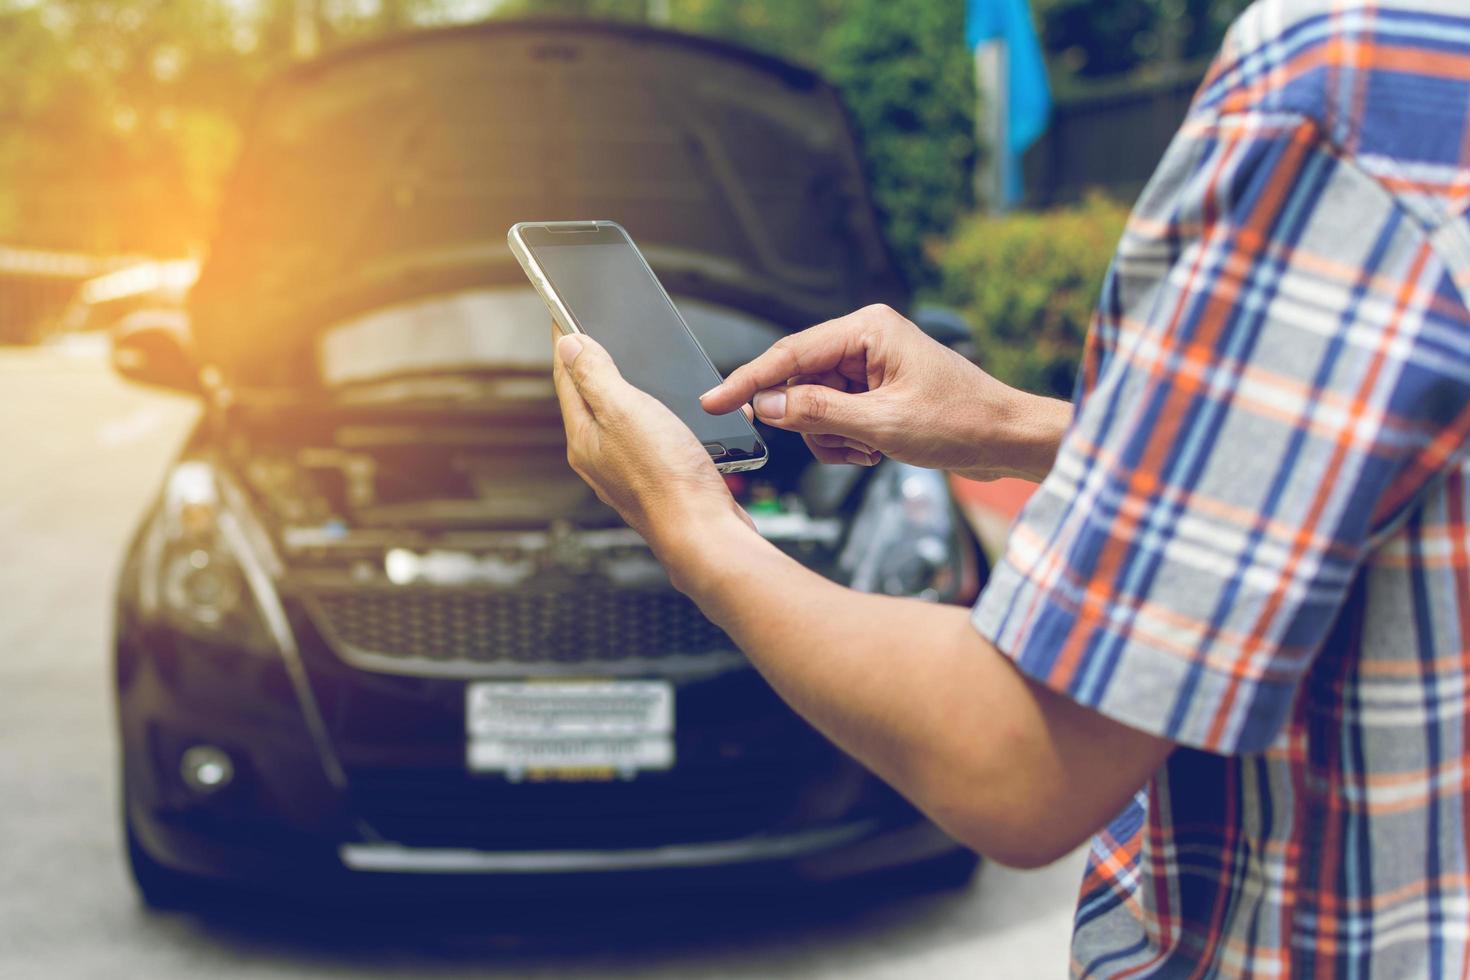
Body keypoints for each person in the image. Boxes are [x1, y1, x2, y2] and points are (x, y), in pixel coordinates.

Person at [548, 0, 1470, 974]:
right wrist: (1008, 427)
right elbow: (1390, 473)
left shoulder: (1351, 74)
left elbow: (1018, 751)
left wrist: (690, 519)